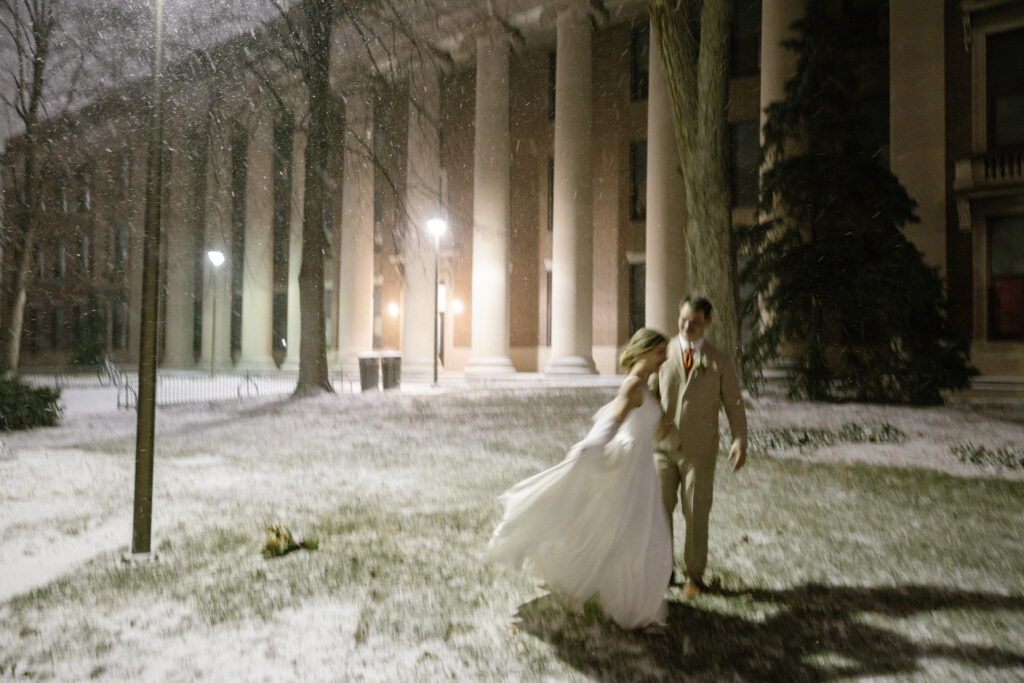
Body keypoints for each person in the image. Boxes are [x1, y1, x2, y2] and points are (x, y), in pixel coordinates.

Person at [486, 328, 673, 630]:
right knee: (624, 535)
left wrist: (661, 423)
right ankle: (627, 608)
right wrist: (591, 446)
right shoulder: (633, 386)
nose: (664, 357)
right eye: (660, 351)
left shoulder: (647, 387)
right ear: (644, 351)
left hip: (641, 469)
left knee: (631, 535)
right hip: (627, 470)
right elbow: (612, 423)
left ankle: (596, 594)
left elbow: (640, 421)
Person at [653, 295, 747, 601]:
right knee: (658, 508)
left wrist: (739, 438)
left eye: (694, 322)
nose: (687, 326)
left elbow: (733, 403)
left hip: (700, 451)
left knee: (696, 513)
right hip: (663, 448)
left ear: (707, 321)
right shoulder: (662, 352)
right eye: (682, 320)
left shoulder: (718, 360)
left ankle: (694, 575)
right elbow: (648, 391)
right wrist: (654, 421)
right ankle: (662, 570)